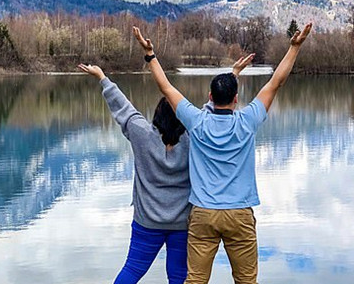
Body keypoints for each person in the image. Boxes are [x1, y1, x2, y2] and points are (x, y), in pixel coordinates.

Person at [132, 22, 312, 284]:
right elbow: (276, 82)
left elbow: (166, 87)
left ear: (209, 97)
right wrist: (295, 47)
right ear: (236, 99)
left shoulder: (197, 120)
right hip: (239, 213)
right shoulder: (247, 120)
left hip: (203, 213)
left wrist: (150, 54)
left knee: (195, 280)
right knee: (246, 280)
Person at [78, 55, 254, 284]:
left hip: (146, 221)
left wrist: (102, 78)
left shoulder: (140, 133)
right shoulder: (195, 136)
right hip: (182, 222)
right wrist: (233, 75)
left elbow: (121, 107)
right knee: (179, 276)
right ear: (185, 119)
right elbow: (209, 113)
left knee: (132, 270)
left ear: (156, 114)